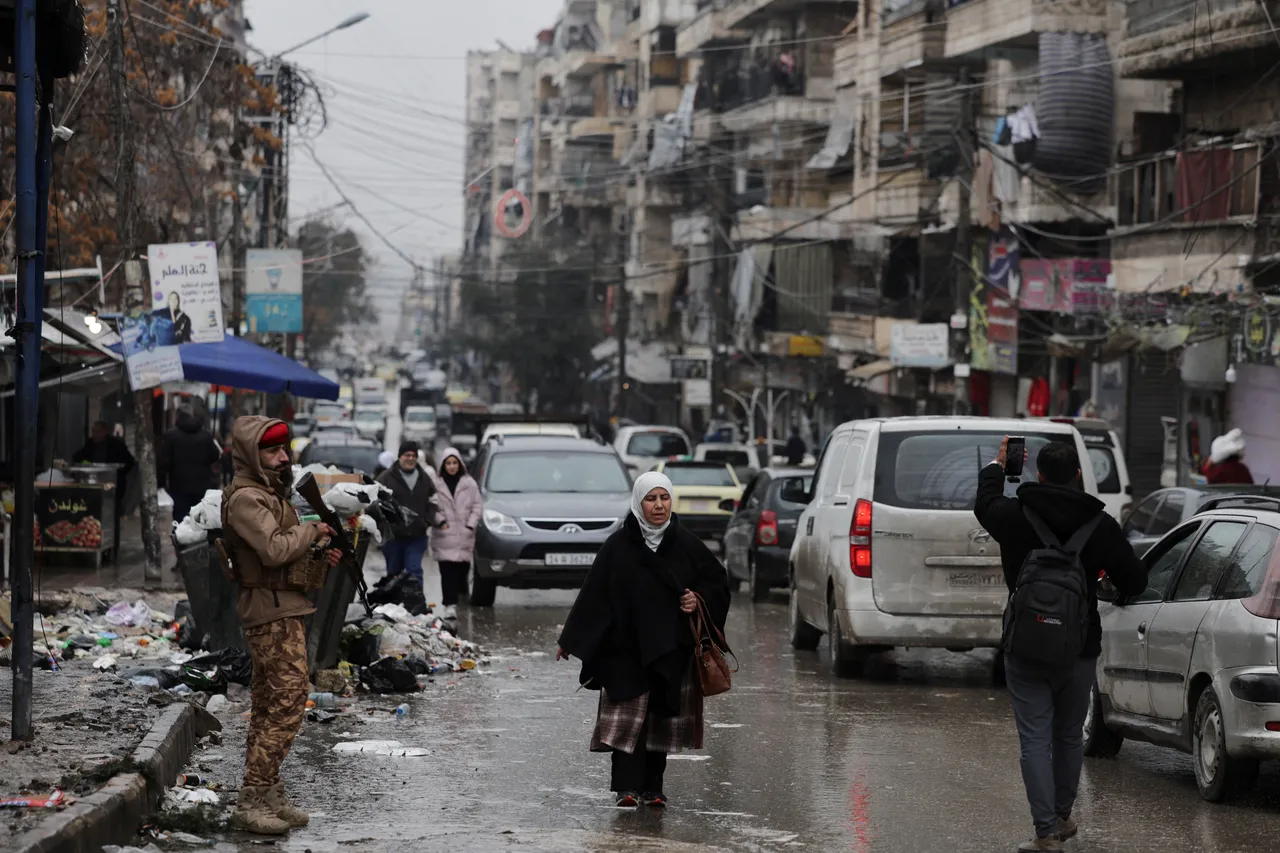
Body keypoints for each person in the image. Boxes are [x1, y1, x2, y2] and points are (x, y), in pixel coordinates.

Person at [974, 438, 1147, 852]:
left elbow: (985, 503)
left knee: (1034, 737)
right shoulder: (1100, 525)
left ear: (1038, 474)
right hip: (1079, 645)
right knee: (1068, 735)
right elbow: (1136, 582)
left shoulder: (1016, 515)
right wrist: (1103, 581)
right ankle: (1063, 815)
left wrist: (998, 465)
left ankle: (1045, 831)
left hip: (1025, 643)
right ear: (1077, 476)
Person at [555, 471, 731, 808]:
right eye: (651, 499)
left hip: (670, 648)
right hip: (624, 649)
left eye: (664, 498)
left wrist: (697, 598)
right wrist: (572, 639)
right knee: (627, 719)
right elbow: (594, 593)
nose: (659, 505)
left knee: (659, 720)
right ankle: (626, 788)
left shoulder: (687, 545)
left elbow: (717, 584)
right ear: (639, 502)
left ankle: (654, 789)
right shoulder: (618, 546)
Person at [220, 416, 341, 835]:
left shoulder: (271, 493)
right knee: (290, 700)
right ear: (253, 454)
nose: (283, 457)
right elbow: (273, 550)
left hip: (284, 605)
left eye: (284, 448)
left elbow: (288, 551)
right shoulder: (246, 499)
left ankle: (269, 794)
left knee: (270, 704)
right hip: (267, 610)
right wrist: (310, 532)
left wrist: (319, 549)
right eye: (273, 450)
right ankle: (251, 798)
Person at [426, 447, 482, 615]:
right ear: (443, 465)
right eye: (448, 463)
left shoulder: (469, 483)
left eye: (454, 463)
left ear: (460, 464)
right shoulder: (436, 484)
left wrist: (470, 525)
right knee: (447, 572)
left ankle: (460, 598)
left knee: (461, 573)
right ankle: (450, 605)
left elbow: (477, 506)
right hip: (444, 535)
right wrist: (440, 521)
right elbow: (430, 506)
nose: (451, 466)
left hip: (464, 536)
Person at [375, 441, 439, 586]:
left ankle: (415, 605)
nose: (410, 458)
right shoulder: (386, 477)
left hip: (417, 536)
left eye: (414, 455)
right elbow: (373, 502)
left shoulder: (424, 478)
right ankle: (394, 606)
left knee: (414, 570)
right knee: (394, 573)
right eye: (407, 455)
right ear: (399, 457)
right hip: (393, 538)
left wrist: (427, 520)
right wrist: (384, 524)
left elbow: (434, 499)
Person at [159, 407, 220, 523]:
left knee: (181, 521)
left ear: (177, 418)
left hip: (178, 487)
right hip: (201, 486)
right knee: (199, 522)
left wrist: (161, 483)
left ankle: (181, 539)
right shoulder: (205, 435)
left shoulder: (170, 436)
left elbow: (163, 463)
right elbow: (215, 456)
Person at [73, 420, 136, 497]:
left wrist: (117, 472)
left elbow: (130, 462)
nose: (95, 435)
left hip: (112, 483)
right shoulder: (90, 443)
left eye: (98, 432)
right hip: (93, 482)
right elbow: (77, 457)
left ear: (105, 432)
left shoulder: (116, 444)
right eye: (93, 432)